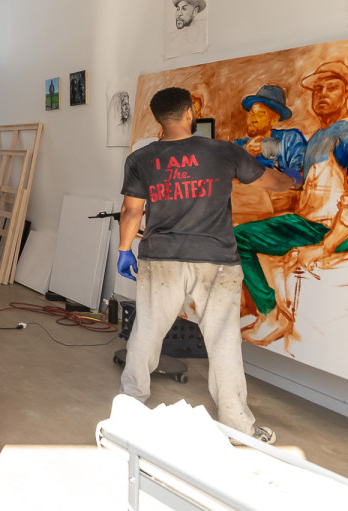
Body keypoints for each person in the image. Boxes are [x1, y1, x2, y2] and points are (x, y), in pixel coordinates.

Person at [117, 87, 293, 444]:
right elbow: (270, 182)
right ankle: (238, 425)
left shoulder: (141, 158)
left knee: (147, 331)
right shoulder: (224, 151)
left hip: (161, 257)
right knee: (223, 339)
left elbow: (132, 211)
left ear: (158, 119)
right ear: (189, 114)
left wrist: (124, 249)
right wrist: (293, 177)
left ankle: (128, 409)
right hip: (216, 260)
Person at [235, 62, 348, 319]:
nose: (322, 94)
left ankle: (269, 313)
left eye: (332, 88)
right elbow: (302, 183)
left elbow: (295, 177)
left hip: (331, 229)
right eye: (317, 90)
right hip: (308, 222)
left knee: (239, 237)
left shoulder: (344, 133)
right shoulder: (318, 137)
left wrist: (326, 246)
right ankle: (266, 311)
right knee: (238, 235)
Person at [231, 85, 306, 181]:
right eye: (251, 113)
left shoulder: (290, 140)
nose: (252, 119)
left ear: (274, 119)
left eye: (260, 114)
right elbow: (224, 177)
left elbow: (298, 178)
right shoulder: (238, 146)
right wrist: (246, 154)